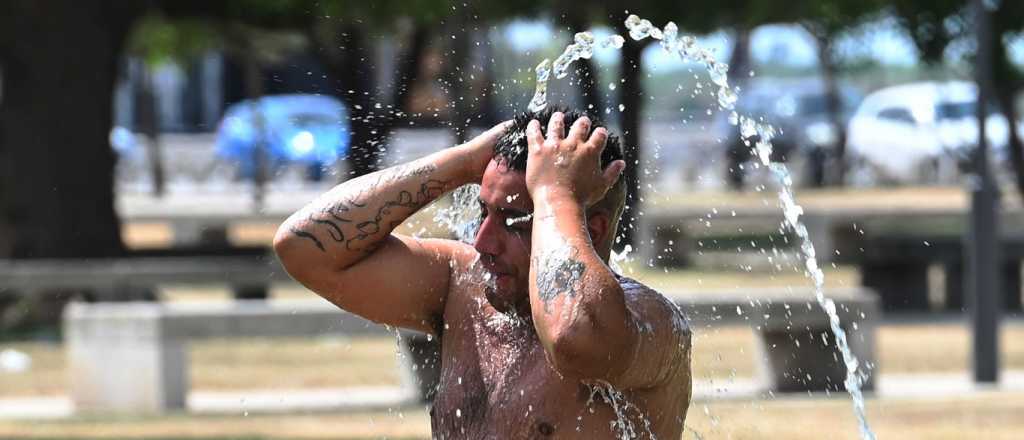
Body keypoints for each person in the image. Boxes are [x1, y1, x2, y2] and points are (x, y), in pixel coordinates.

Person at [274, 107, 692, 438]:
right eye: (483, 211)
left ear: (591, 229)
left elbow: (572, 337)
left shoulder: (648, 322)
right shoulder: (462, 287)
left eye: (512, 220)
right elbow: (305, 248)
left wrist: (555, 193)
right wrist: (464, 162)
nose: (482, 241)